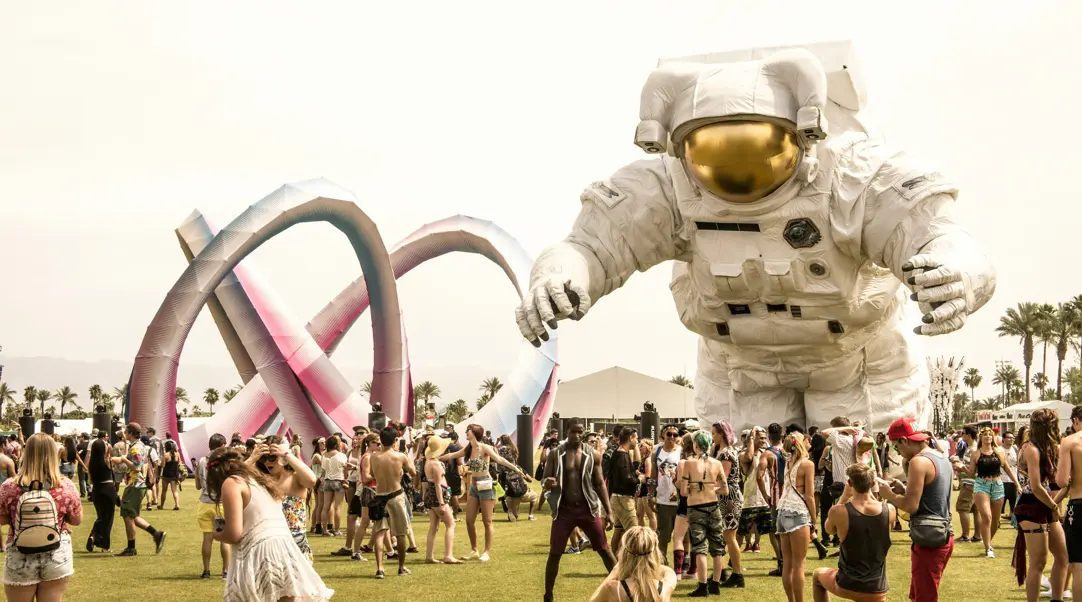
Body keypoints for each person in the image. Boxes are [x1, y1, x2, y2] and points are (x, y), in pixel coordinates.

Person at [514, 46, 996, 435]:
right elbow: (591, 246)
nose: (737, 168)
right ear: (681, 149)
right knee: (748, 499)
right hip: (739, 372)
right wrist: (558, 276)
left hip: (860, 364)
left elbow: (941, 233)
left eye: (757, 146)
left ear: (805, 136)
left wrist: (953, 273)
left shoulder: (853, 174)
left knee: (867, 489)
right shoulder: (668, 188)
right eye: (713, 151)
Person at [206, 447, 334, 602]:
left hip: (261, 551)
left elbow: (233, 534)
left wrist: (216, 534)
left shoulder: (232, 483)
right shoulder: (258, 479)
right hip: (286, 549)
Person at [0, 433, 83, 601]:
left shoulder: (10, 486)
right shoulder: (64, 485)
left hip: (20, 552)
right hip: (56, 551)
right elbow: (76, 520)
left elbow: (1, 519)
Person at [542, 419, 617, 602]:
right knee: (555, 553)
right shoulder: (555, 453)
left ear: (583, 433)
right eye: (573, 432)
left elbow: (599, 484)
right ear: (566, 432)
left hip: (587, 509)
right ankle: (548, 595)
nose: (576, 436)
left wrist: (609, 511)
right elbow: (544, 480)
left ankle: (622, 586)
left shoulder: (592, 454)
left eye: (580, 432)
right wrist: (548, 483)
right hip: (564, 511)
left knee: (604, 550)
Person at [882, 417, 954, 602]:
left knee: (925, 597)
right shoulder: (941, 457)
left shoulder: (918, 462)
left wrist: (887, 494)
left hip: (929, 539)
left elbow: (910, 506)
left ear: (904, 440)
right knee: (920, 594)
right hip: (943, 533)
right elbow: (932, 496)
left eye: (896, 446)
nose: (898, 451)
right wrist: (904, 489)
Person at [438, 423, 528, 561]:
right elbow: (452, 455)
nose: (467, 432)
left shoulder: (485, 448)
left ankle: (486, 552)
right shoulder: (468, 448)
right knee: (469, 521)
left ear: (475, 433)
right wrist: (434, 458)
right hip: (474, 486)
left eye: (469, 430)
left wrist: (516, 469)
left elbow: (500, 460)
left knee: (487, 521)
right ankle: (474, 550)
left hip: (486, 485)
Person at [814, 463, 894, 602]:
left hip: (847, 583)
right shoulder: (890, 510)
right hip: (876, 587)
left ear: (850, 483)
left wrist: (844, 497)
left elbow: (828, 530)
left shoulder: (838, 511)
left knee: (817, 576)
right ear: (873, 483)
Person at [1012, 408, 1068, 602]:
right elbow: (1035, 486)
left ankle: (1057, 598)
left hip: (1045, 504)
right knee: (1038, 562)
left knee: (1063, 557)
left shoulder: (1048, 447)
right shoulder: (1031, 449)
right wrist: (1054, 505)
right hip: (1031, 506)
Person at [248, 435, 318, 563]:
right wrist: (253, 457)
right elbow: (234, 479)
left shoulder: (296, 477)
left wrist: (287, 454)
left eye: (272, 457)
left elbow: (312, 480)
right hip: (269, 542)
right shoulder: (262, 479)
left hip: (295, 541)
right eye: (264, 458)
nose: (267, 462)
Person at [108, 422, 166, 556]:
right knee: (132, 516)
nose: (124, 434)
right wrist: (121, 459)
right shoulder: (139, 446)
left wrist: (122, 459)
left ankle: (131, 548)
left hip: (135, 485)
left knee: (127, 516)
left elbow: (137, 467)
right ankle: (156, 534)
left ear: (130, 433)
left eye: (126, 432)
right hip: (137, 485)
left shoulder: (136, 448)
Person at [681, 430, 727, 596]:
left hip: (696, 508)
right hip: (714, 507)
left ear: (696, 445)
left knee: (700, 547)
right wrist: (711, 486)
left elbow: (683, 492)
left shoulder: (689, 463)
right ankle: (715, 584)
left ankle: (702, 586)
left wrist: (695, 486)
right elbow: (725, 490)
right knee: (717, 547)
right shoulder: (717, 463)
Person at [370, 425, 416, 578]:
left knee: (380, 533)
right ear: (395, 440)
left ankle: (380, 569)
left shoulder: (374, 457)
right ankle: (401, 567)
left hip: (379, 496)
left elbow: (372, 474)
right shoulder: (400, 456)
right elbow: (414, 472)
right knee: (401, 533)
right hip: (396, 496)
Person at [588, 527, 678, 602]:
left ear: (624, 552)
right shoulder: (665, 587)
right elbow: (667, 570)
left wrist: (615, 570)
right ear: (654, 552)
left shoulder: (613, 588)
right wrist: (649, 554)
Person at [776, 432, 816, 602]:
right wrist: (814, 518)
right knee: (799, 564)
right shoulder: (807, 464)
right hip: (797, 512)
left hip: (782, 510)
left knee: (788, 563)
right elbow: (810, 496)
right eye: (807, 439)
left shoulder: (788, 461)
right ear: (802, 443)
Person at [969, 426, 1019, 558]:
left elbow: (1008, 469)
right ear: (981, 437)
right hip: (981, 485)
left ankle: (988, 541)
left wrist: (1017, 484)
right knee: (987, 517)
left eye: (990, 434)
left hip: (997, 484)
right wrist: (961, 468)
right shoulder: (976, 453)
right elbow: (971, 472)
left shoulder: (998, 452)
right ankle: (988, 548)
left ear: (993, 437)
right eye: (985, 434)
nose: (988, 437)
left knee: (996, 521)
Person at [422, 435, 463, 565]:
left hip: (430, 494)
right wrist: (441, 503)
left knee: (434, 526)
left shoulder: (428, 462)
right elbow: (438, 485)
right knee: (451, 524)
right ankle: (448, 555)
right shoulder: (436, 465)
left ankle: (429, 556)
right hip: (438, 495)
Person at [196, 433, 232, 579]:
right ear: (222, 446)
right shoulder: (225, 462)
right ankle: (225, 571)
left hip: (205, 503)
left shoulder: (202, 461)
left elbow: (198, 485)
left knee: (207, 538)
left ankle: (206, 570)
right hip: (221, 504)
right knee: (224, 539)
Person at [1057, 405, 1082, 602]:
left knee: (1079, 565)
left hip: (1079, 503)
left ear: (1075, 420)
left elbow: (1062, 481)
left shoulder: (1069, 442)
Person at [606, 427, 644, 556]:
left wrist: (634, 474)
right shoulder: (622, 455)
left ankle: (616, 563)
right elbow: (626, 479)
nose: (637, 442)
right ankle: (631, 563)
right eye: (636, 439)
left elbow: (627, 472)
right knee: (635, 534)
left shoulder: (620, 453)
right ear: (630, 438)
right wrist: (639, 479)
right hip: (624, 499)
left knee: (619, 530)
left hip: (617, 498)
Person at [739, 427, 773, 556]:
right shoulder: (743, 454)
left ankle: (757, 543)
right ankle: (748, 543)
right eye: (761, 438)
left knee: (762, 525)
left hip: (764, 495)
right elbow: (748, 457)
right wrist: (752, 438)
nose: (763, 441)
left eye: (765, 438)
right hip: (750, 496)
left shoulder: (764, 454)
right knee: (747, 525)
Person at [651, 425, 682, 562]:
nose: (672, 437)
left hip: (680, 499)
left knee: (682, 535)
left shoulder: (682, 452)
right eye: (669, 434)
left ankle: (682, 564)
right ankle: (662, 561)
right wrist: (650, 495)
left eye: (675, 435)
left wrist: (680, 490)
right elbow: (653, 476)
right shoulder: (657, 451)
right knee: (663, 535)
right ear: (663, 435)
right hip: (663, 499)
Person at [85, 432, 116, 553]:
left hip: (97, 490)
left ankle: (94, 536)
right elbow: (115, 458)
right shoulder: (107, 461)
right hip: (108, 488)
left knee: (101, 517)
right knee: (108, 518)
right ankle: (105, 546)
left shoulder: (92, 464)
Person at [952, 425, 979, 543]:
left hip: (969, 483)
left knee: (962, 508)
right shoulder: (972, 448)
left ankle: (965, 536)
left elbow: (973, 471)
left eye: (963, 433)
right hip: (974, 483)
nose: (961, 435)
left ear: (968, 435)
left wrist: (961, 467)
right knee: (976, 510)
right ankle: (977, 536)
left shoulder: (973, 449)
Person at [157, 440, 182, 511]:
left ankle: (161, 506)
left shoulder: (165, 455)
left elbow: (163, 465)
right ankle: (177, 505)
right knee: (174, 491)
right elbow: (179, 463)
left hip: (166, 475)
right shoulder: (177, 454)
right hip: (174, 475)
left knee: (164, 491)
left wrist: (161, 462)